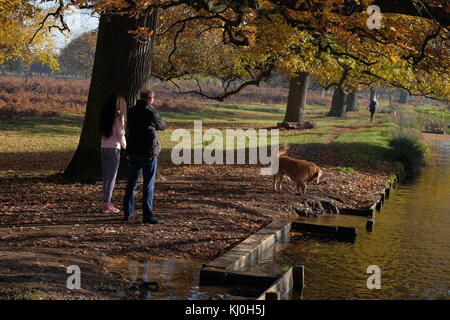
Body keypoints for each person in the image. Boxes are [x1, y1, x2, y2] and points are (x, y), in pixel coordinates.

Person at [123, 89, 166, 224]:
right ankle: (147, 215)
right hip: (148, 151)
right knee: (148, 184)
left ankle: (128, 213)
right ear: (150, 99)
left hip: (134, 150)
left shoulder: (131, 110)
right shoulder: (151, 111)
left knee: (131, 183)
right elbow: (161, 125)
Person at [99, 94, 127, 213]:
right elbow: (120, 134)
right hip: (114, 148)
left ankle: (105, 201)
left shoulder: (105, 115)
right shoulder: (119, 116)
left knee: (106, 177)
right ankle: (107, 203)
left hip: (103, 146)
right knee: (111, 177)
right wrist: (125, 145)